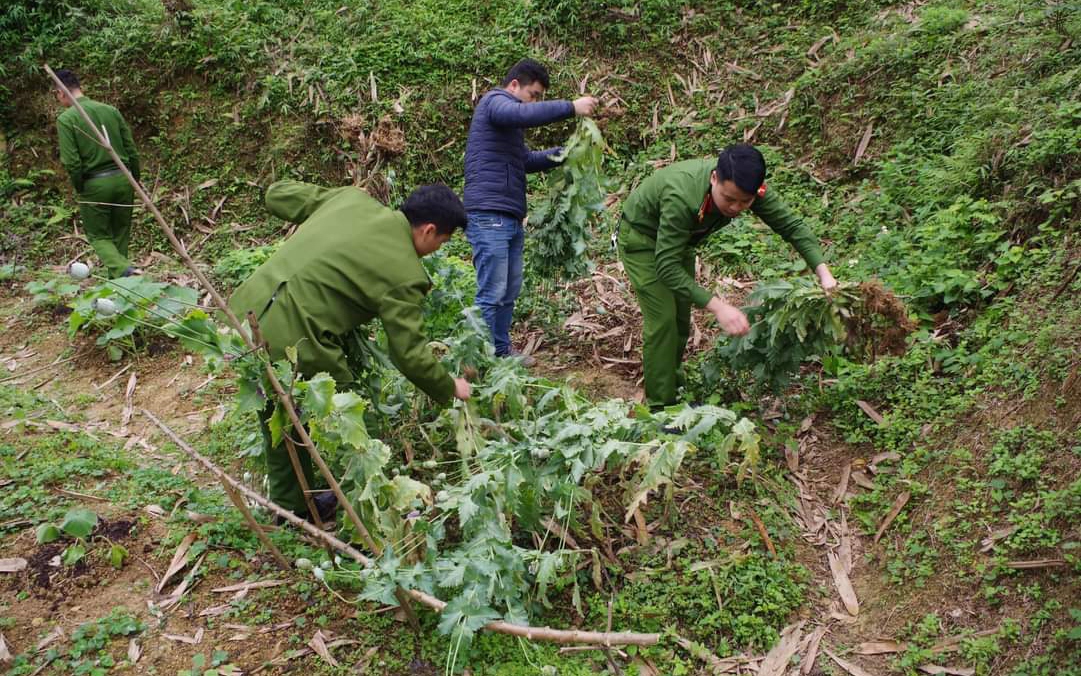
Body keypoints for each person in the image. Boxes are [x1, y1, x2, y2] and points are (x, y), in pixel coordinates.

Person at [229, 181, 473, 523]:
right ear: (429, 230)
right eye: (442, 242)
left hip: (242, 316)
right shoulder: (405, 273)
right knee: (344, 417)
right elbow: (408, 354)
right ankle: (382, 503)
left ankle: (290, 508)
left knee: (279, 413)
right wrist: (450, 387)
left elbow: (277, 194)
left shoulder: (350, 199)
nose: (436, 249)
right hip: (295, 340)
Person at [618, 143, 838, 408]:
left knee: (679, 320)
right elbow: (666, 267)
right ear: (714, 178)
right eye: (728, 198)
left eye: (745, 202)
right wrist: (719, 307)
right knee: (663, 320)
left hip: (680, 242)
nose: (736, 207)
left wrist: (824, 274)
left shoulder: (749, 188)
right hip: (642, 241)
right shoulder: (682, 195)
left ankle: (673, 392)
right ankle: (660, 409)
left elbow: (791, 226)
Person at [463, 58, 598, 365]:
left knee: (508, 290)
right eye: (534, 94)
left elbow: (527, 160)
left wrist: (567, 152)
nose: (535, 102)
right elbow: (520, 112)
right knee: (492, 290)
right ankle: (480, 359)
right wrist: (571, 107)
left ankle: (500, 351)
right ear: (514, 86)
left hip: (508, 215)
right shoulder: (494, 102)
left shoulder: (508, 130)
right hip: (488, 212)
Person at [53, 69, 142, 278]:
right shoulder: (110, 110)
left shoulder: (66, 119)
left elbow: (72, 161)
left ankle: (122, 270)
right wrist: (134, 179)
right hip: (123, 178)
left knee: (98, 235)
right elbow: (131, 149)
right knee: (120, 233)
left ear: (60, 92)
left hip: (95, 184)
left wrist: (80, 187)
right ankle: (121, 285)